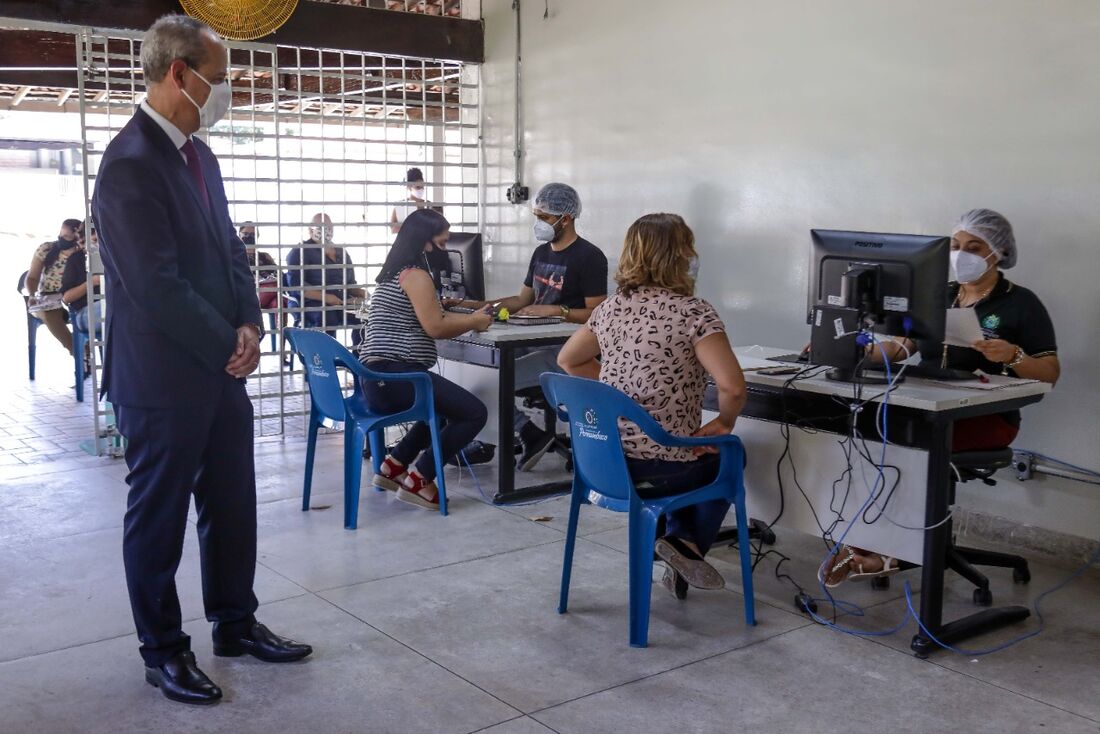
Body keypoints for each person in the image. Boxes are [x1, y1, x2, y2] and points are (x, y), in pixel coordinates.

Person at [92, 14, 311, 706]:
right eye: (217, 80)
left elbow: (230, 250)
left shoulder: (200, 156)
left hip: (220, 369)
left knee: (231, 504)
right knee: (158, 520)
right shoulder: (129, 165)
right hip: (161, 379)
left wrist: (250, 321)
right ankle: (162, 650)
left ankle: (235, 622)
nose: (225, 93)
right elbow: (154, 286)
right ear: (179, 73)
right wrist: (230, 341)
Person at [824, 208, 1060, 585]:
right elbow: (902, 347)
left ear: (997, 252)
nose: (960, 254)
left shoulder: (1020, 302)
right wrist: (848, 351)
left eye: (973, 246)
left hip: (987, 419)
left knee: (905, 445)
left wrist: (1013, 356)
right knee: (867, 434)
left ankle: (890, 551)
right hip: (927, 406)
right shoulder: (940, 295)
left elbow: (1050, 373)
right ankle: (866, 543)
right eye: (954, 245)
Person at [557, 213, 748, 599]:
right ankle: (685, 543)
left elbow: (569, 360)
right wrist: (725, 422)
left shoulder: (610, 309)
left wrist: (618, 396)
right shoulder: (694, 313)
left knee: (696, 454)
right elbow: (732, 387)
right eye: (689, 246)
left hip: (602, 464)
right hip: (657, 466)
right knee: (729, 454)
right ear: (679, 256)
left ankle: (677, 541)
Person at [447, 183, 608, 470]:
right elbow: (522, 299)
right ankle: (526, 433)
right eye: (537, 215)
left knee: (491, 384)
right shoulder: (541, 254)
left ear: (566, 217)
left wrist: (558, 310)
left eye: (544, 217)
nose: (539, 223)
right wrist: (475, 306)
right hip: (529, 341)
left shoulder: (589, 257)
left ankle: (527, 432)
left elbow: (598, 313)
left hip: (564, 352)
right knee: (474, 376)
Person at [360, 208, 491, 510]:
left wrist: (438, 305)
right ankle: (421, 479)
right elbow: (436, 327)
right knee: (473, 413)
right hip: (395, 378)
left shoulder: (395, 273)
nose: (445, 251)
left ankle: (395, 466)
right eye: (442, 244)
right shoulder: (417, 276)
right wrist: (474, 321)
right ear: (424, 242)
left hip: (377, 380)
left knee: (446, 408)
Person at [287, 212, 366, 346]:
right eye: (320, 226)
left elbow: (351, 283)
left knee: (366, 316)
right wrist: (326, 297)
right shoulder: (300, 251)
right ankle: (324, 360)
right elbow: (297, 287)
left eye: (328, 227)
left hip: (341, 302)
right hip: (311, 303)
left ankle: (358, 360)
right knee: (327, 317)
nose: (325, 230)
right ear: (310, 229)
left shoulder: (342, 252)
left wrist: (362, 293)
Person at [24, 217, 83, 356]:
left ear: (77, 237)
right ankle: (79, 352)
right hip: (48, 298)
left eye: (67, 237)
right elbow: (32, 277)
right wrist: (32, 295)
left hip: (73, 296)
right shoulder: (47, 249)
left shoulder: (82, 253)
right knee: (49, 314)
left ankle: (84, 353)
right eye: (60, 235)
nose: (62, 239)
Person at [59, 221, 102, 374]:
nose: (97, 245)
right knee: (113, 308)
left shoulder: (112, 255)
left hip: (110, 312)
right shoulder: (76, 259)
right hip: (84, 313)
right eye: (94, 241)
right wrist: (93, 281)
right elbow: (67, 298)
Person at [239, 221, 280, 310]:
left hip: (270, 289)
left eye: (253, 234)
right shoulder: (236, 257)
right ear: (239, 235)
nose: (249, 236)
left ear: (257, 236)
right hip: (250, 293)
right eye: (245, 233)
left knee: (279, 302)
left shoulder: (265, 256)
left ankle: (280, 324)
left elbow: (278, 274)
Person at [390, 167, 432, 234]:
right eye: (418, 187)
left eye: (422, 187)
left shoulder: (428, 205)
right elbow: (393, 229)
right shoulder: (401, 206)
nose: (421, 190)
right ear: (409, 187)